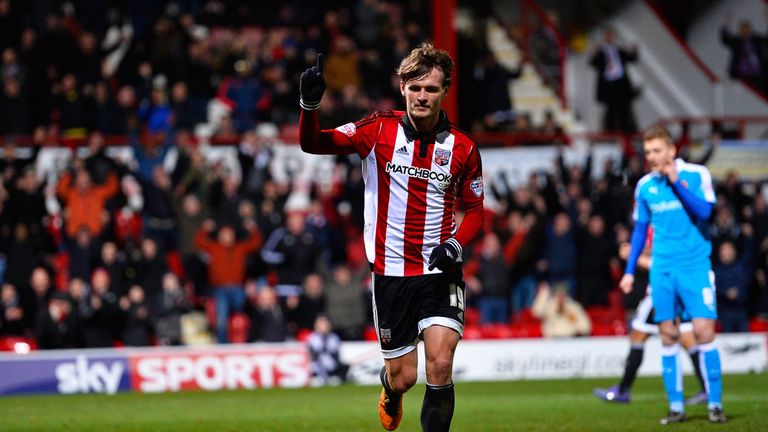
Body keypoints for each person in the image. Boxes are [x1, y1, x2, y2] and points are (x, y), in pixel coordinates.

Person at [298, 42, 485, 431]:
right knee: (404, 376)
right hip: (391, 273)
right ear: (403, 88)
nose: (422, 96)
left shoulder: (463, 148)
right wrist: (309, 107)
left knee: (440, 362)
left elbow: (476, 210)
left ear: (443, 91)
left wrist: (455, 243)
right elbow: (313, 143)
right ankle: (390, 389)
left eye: (431, 89)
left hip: (440, 271)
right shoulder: (377, 130)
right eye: (415, 87)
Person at [619, 127, 725, 424]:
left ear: (671, 151)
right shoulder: (645, 187)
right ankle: (676, 407)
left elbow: (705, 213)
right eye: (647, 152)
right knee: (668, 336)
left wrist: (676, 184)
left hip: (695, 266)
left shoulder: (696, 175)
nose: (650, 156)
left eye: (656, 150)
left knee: (704, 332)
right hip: (662, 268)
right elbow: (640, 230)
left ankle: (714, 404)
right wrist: (629, 271)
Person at [595, 242, 707, 405]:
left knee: (642, 337)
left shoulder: (672, 226)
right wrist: (638, 251)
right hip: (674, 291)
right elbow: (661, 252)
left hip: (662, 293)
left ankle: (623, 390)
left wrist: (633, 255)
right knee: (686, 340)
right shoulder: (676, 232)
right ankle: (708, 389)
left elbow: (662, 263)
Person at [589, 26, 638, 133]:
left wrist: (635, 48)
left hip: (621, 85)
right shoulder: (601, 51)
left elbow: (632, 58)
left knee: (625, 110)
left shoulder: (619, 50)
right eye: (607, 35)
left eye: (611, 35)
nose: (609, 37)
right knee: (611, 112)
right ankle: (610, 133)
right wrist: (595, 52)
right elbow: (592, 63)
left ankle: (628, 133)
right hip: (608, 87)